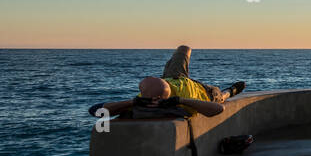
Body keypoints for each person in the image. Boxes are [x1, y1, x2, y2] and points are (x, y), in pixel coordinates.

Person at [89, 45, 246, 119]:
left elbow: (96, 109)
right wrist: (179, 100)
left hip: (175, 77)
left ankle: (170, 72)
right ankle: (232, 90)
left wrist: (134, 101)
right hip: (204, 91)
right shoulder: (176, 103)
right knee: (223, 95)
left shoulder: (150, 92)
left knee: (184, 48)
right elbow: (217, 109)